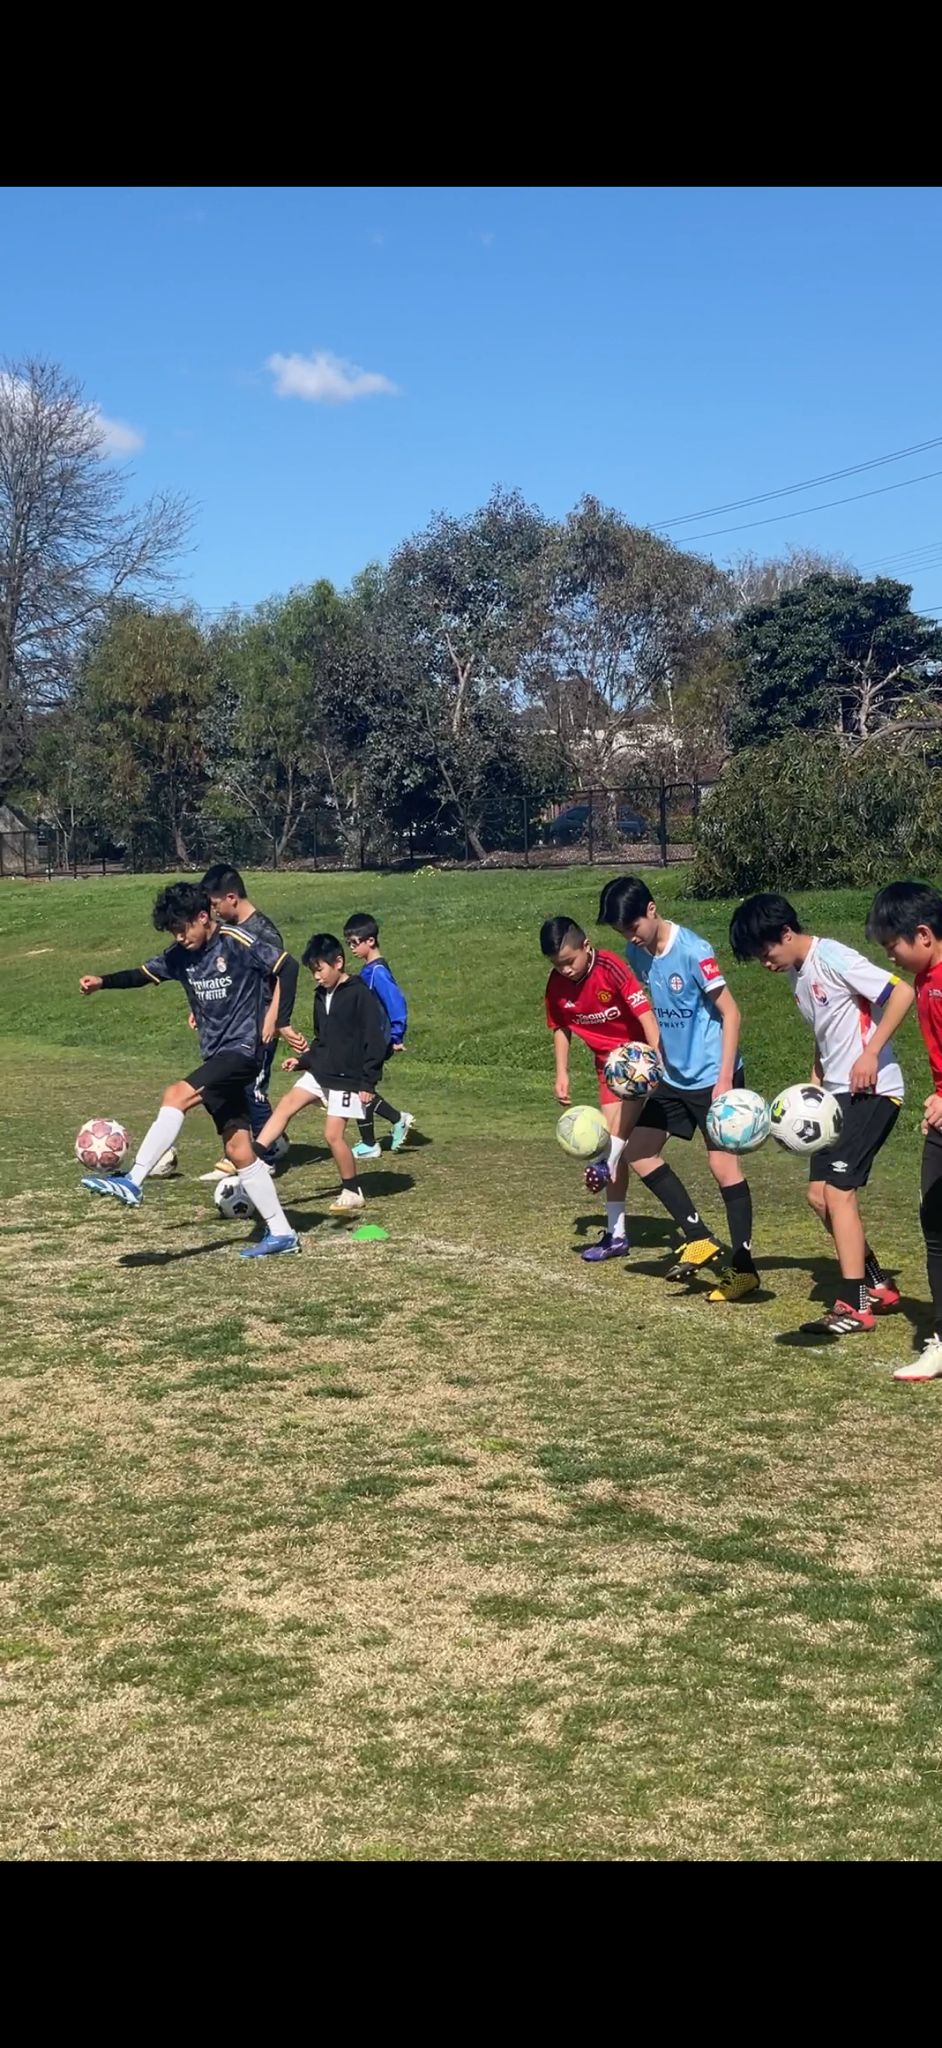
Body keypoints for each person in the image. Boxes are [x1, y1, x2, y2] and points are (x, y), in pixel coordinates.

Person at [78, 881, 302, 1258]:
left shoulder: (236, 941)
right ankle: (282, 1233)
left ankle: (134, 1179)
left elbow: (287, 966)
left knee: (176, 1095)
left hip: (242, 1052)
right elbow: (142, 974)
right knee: (239, 1150)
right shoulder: (180, 955)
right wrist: (103, 982)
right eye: (173, 932)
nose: (180, 938)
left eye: (183, 929)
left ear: (202, 917)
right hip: (215, 1057)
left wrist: (279, 1020)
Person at [729, 891, 914, 1339]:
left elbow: (901, 992)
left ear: (786, 933)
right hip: (834, 1097)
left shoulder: (831, 956)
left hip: (872, 1091)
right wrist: (816, 1078)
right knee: (819, 1196)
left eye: (765, 952)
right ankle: (876, 1283)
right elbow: (827, 1031)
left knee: (839, 1191)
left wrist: (871, 1054)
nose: (765, 963)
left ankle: (854, 1305)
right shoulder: (798, 974)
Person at [598, 876, 759, 1303]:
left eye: (633, 926)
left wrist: (725, 1079)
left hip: (712, 1077)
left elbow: (731, 1013)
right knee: (639, 1151)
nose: (630, 937)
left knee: (723, 1168)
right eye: (622, 932)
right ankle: (699, 1236)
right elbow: (657, 1009)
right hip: (671, 1077)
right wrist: (651, 1055)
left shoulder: (694, 951)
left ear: (652, 909)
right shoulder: (637, 953)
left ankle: (744, 1270)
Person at [541, 916, 661, 1262]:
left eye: (569, 961)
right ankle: (617, 1234)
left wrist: (656, 1057)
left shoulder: (611, 967)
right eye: (557, 964)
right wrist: (561, 1072)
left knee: (614, 1145)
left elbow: (645, 1013)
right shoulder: (556, 984)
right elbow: (560, 1027)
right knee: (613, 1145)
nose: (564, 970)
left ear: (586, 946)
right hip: (608, 1070)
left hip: (637, 1062)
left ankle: (603, 1165)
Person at [253, 934, 390, 1216]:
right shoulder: (320, 995)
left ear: (338, 962)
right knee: (287, 1104)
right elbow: (322, 1040)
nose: (316, 976)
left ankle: (352, 1191)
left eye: (320, 969)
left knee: (333, 1136)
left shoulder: (359, 994)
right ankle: (252, 1161)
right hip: (322, 1071)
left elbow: (374, 1040)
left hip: (347, 1078)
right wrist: (303, 1061)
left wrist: (368, 1082)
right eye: (312, 971)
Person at [866, 880, 942, 1381]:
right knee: (935, 1226)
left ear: (923, 935)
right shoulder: (924, 980)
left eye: (893, 945)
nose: (889, 955)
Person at [199, 865, 301, 1176]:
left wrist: (274, 1020)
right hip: (236, 1025)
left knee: (253, 1088)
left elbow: (282, 977)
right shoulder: (228, 933)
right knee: (234, 1086)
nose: (213, 912)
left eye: (215, 904)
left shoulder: (263, 932)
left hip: (260, 1026)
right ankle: (251, 1148)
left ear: (232, 897)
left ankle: (263, 1156)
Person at [342, 913, 415, 1159]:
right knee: (359, 1087)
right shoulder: (368, 971)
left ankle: (371, 1141)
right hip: (365, 1038)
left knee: (360, 1087)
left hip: (376, 1040)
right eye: (349, 943)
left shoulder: (378, 972)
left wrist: (396, 1036)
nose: (352, 948)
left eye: (355, 942)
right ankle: (391, 1123)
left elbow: (396, 1003)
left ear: (370, 941)